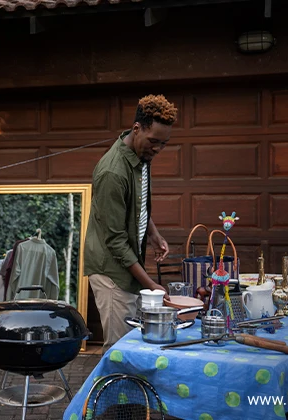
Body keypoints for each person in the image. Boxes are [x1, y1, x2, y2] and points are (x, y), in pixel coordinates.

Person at [84, 94, 178, 353]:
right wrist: (151, 285)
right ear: (137, 129)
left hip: (128, 266)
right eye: (154, 141)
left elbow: (136, 205)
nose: (158, 149)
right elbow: (115, 240)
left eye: (164, 143)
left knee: (134, 346)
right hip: (111, 272)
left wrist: (153, 234)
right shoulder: (113, 172)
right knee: (119, 351)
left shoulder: (141, 156)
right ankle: (108, 393)